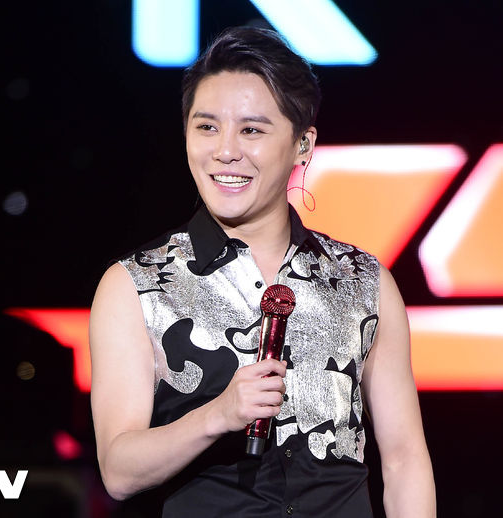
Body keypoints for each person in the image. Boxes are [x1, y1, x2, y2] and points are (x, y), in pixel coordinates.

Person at [89, 27, 435, 517]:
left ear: (302, 144)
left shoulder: (362, 282)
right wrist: (218, 415)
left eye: (251, 130)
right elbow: (118, 471)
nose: (225, 150)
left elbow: (403, 461)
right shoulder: (137, 284)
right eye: (207, 127)